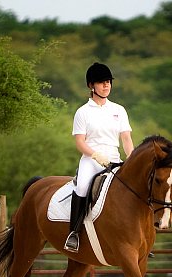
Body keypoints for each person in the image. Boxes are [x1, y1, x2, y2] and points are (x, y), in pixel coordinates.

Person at [64, 62, 134, 253]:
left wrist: (132, 158)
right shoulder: (83, 112)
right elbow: (79, 142)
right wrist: (96, 155)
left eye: (108, 82)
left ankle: (137, 236)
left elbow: (126, 138)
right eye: (102, 82)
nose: (106, 86)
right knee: (82, 186)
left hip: (115, 159)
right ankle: (74, 233)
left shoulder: (119, 110)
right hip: (91, 160)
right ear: (91, 86)